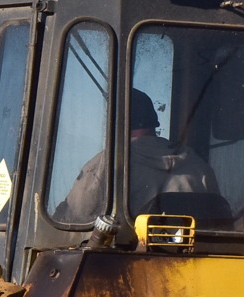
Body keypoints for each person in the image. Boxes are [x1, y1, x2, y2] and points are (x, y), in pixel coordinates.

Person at [61, 88, 222, 224]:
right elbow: (218, 223)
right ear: (154, 121)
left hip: (123, 261)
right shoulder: (199, 168)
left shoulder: (103, 166)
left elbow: (69, 224)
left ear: (116, 122)